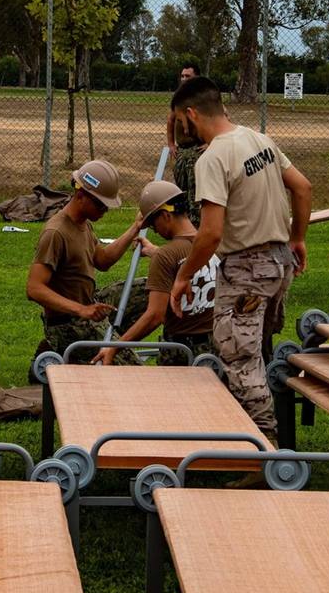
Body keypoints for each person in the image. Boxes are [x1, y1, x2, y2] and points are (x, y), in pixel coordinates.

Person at [168, 77, 312, 442]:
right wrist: (297, 238)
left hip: (246, 269)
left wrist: (184, 275)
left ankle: (263, 449)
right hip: (279, 262)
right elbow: (303, 187)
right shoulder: (258, 138)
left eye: (179, 121)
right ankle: (254, 434)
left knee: (240, 359)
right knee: (257, 352)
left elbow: (211, 233)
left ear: (190, 114)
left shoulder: (213, 157)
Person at [26, 159, 151, 376]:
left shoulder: (83, 223)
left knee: (150, 289)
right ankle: (61, 349)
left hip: (88, 306)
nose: (105, 211)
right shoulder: (56, 233)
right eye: (101, 205)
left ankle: (73, 350)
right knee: (134, 373)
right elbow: (34, 288)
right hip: (69, 324)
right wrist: (81, 310)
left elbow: (102, 260)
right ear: (81, 195)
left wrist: (135, 228)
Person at [93, 179, 218, 367]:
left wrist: (114, 347)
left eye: (153, 224)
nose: (155, 231)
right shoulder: (212, 245)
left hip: (180, 352)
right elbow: (186, 259)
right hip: (215, 347)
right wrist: (156, 252)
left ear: (166, 216)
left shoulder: (167, 256)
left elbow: (154, 316)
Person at [165, 63, 204, 226]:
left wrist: (209, 144)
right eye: (182, 76)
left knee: (197, 191)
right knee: (182, 189)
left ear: (197, 78)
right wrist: (171, 144)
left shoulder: (203, 97)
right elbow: (170, 121)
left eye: (188, 76)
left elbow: (221, 119)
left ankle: (198, 225)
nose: (184, 79)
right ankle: (185, 225)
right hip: (182, 151)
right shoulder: (179, 98)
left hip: (198, 151)